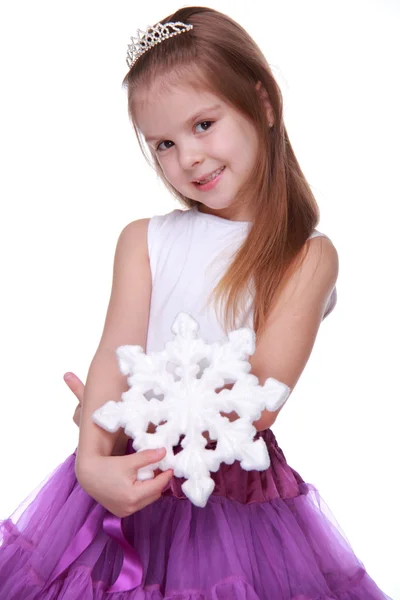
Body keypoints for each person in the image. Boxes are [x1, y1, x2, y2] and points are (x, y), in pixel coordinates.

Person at [0, 6, 392, 599]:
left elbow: (257, 402)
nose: (188, 158)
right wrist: (92, 459)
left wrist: (129, 411)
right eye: (164, 142)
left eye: (203, 125)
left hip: (225, 496)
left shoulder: (304, 257)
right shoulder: (144, 240)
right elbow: (116, 351)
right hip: (120, 473)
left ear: (262, 104)